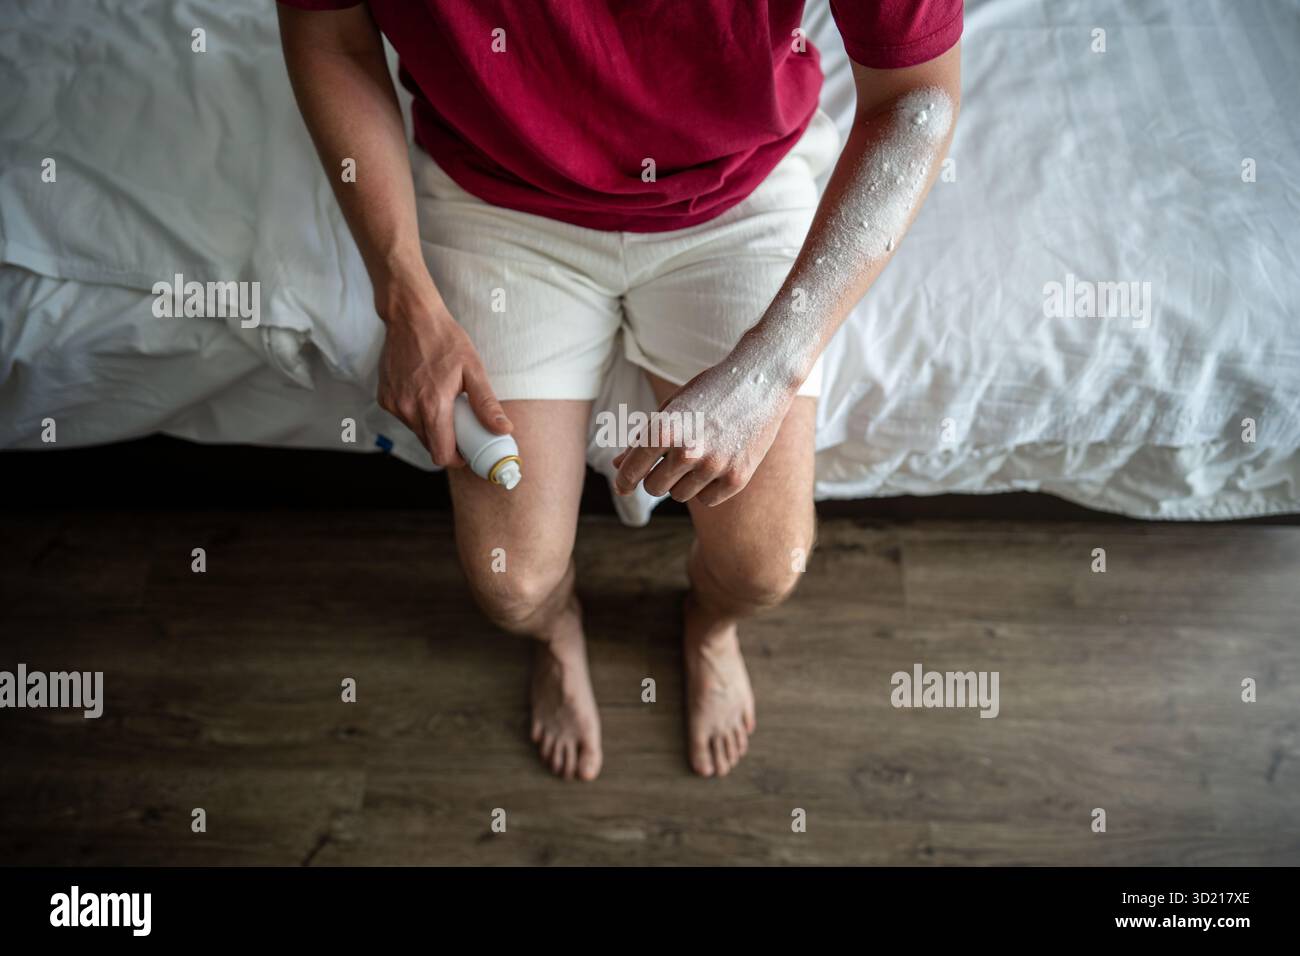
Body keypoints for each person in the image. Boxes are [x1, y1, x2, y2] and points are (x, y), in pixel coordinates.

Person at [276, 0, 962, 781]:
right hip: (496, 192)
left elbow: (917, 95)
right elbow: (328, 32)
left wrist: (772, 366)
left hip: (739, 187)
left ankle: (706, 629)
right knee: (511, 580)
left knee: (766, 564)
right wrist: (402, 296)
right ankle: (558, 631)